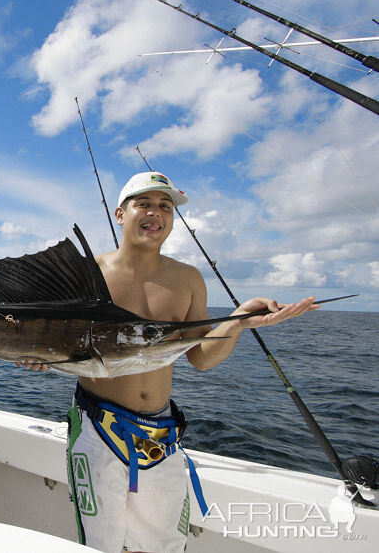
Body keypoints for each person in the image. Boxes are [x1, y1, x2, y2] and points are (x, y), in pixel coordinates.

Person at [66, 172, 319, 552]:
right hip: (97, 428)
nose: (156, 213)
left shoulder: (187, 279)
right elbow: (59, 344)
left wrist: (240, 320)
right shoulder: (89, 275)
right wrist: (36, 359)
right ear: (120, 213)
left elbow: (200, 357)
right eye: (144, 204)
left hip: (161, 435)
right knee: (100, 544)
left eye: (165, 206)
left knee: (165, 545)